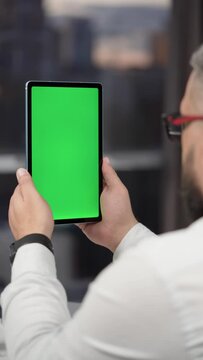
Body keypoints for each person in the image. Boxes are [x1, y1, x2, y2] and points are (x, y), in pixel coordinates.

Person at [2, 44, 203, 360]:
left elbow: (35, 355)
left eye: (181, 125)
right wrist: (124, 232)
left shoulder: (164, 282)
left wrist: (31, 243)